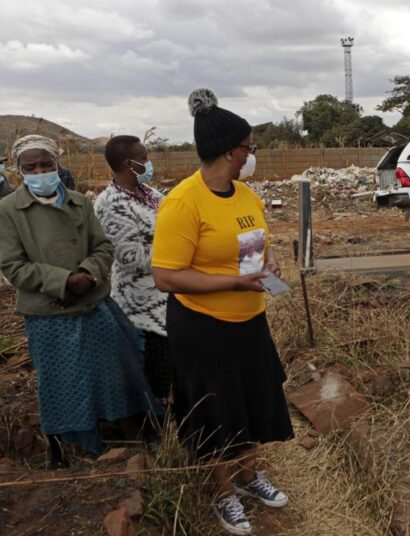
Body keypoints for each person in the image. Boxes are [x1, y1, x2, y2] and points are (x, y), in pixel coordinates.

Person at [152, 88, 293, 536]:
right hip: (202, 326)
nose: (252, 154)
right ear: (232, 151)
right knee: (214, 411)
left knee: (250, 400)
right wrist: (232, 282)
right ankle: (224, 494)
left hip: (249, 319)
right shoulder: (183, 202)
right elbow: (167, 276)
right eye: (249, 146)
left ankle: (251, 478)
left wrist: (267, 269)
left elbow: (253, 251)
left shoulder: (246, 195)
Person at [0, 135, 161, 467]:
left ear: (57, 164)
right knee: (63, 382)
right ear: (19, 171)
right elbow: (13, 265)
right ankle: (70, 446)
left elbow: (102, 247)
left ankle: (132, 427)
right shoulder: (8, 210)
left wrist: (88, 274)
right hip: (49, 313)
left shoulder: (79, 202)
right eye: (30, 167)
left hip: (93, 302)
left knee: (119, 367)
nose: (40, 171)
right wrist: (64, 282)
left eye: (46, 164)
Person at [94, 135, 170, 402]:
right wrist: (178, 256)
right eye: (144, 158)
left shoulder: (151, 195)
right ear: (129, 163)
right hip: (140, 304)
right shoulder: (110, 203)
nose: (149, 163)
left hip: (167, 294)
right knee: (155, 371)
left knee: (172, 366)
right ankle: (160, 429)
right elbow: (130, 256)